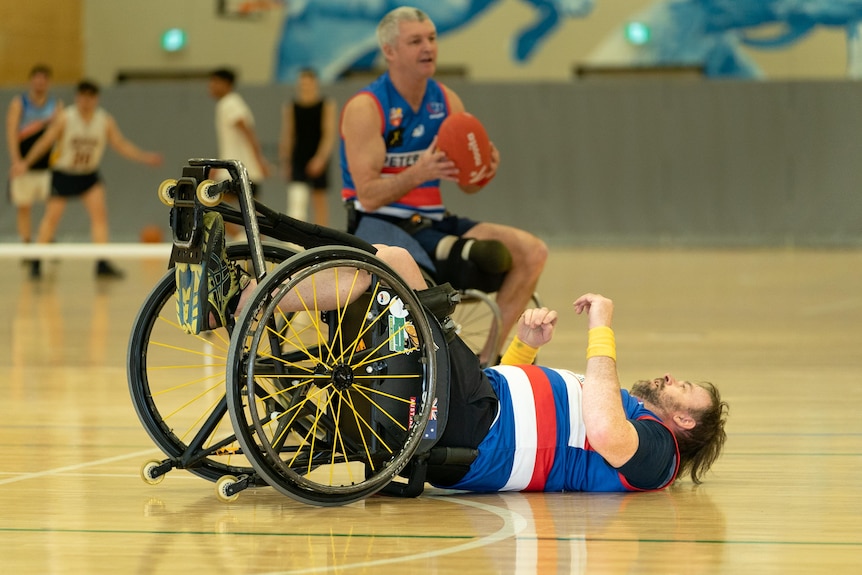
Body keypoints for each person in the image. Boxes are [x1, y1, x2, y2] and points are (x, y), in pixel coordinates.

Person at [176, 211, 729, 491]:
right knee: (391, 270)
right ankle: (259, 298)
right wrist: (525, 349)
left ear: (683, 419)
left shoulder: (658, 455)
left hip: (471, 429)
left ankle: (245, 300)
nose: (668, 376)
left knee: (393, 265)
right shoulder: (631, 415)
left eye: (682, 388)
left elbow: (606, 435)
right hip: (476, 402)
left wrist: (602, 328)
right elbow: (524, 397)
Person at [339, 6, 548, 362]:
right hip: (382, 223)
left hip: (433, 219)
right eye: (416, 41)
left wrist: (482, 170)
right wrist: (419, 172)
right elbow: (369, 196)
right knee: (466, 262)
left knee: (532, 251)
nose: (428, 47)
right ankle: (433, 363)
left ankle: (489, 360)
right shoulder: (367, 107)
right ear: (389, 51)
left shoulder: (447, 101)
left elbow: (468, 186)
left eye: (432, 38)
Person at [11, 80, 163, 279]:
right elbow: (45, 142)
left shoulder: (104, 120)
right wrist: (25, 163)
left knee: (100, 216)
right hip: (64, 173)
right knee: (52, 218)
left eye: (90, 97)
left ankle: (101, 262)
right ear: (77, 97)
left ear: (96, 99)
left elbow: (120, 144)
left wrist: (144, 157)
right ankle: (36, 261)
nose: (86, 101)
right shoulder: (66, 117)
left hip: (89, 175)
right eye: (82, 96)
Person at [5, 64, 63, 278]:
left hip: (47, 166)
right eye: (36, 79)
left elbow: (56, 136)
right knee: (24, 207)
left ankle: (46, 239)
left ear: (48, 82)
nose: (40, 83)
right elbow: (11, 131)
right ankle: (27, 245)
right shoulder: (20, 103)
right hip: (23, 167)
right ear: (31, 81)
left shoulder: (55, 105)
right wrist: (16, 161)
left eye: (43, 79)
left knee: (53, 207)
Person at [208, 68, 271, 238]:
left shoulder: (229, 103)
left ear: (226, 84)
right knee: (250, 211)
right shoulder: (230, 103)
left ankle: (246, 240)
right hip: (239, 168)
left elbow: (247, 130)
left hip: (237, 169)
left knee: (214, 204)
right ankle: (253, 242)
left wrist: (259, 159)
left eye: (214, 82)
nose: (210, 86)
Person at [278, 68, 336, 225]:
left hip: (317, 154)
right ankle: (294, 243)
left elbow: (328, 134)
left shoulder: (326, 104)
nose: (305, 87)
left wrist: (321, 158)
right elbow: (288, 134)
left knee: (319, 200)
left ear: (315, 84)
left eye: (308, 83)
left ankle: (323, 242)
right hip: (299, 155)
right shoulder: (291, 106)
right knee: (297, 200)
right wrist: (287, 161)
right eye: (302, 84)